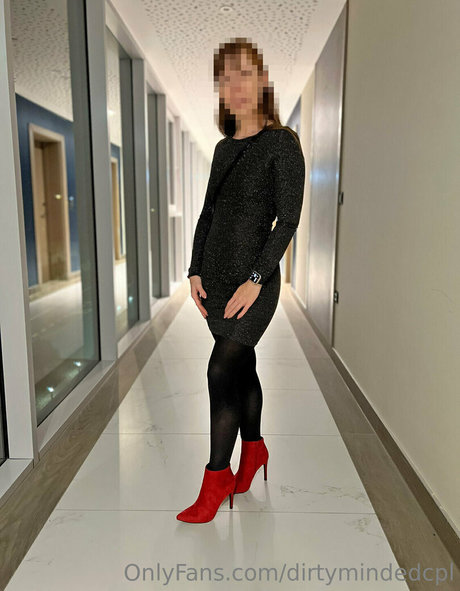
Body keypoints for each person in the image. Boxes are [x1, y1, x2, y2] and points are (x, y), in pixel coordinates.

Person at [176, 38, 305, 523]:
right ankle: (254, 451)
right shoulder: (223, 148)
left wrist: (255, 279)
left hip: (255, 284)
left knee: (219, 371)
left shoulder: (281, 144)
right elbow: (208, 214)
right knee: (242, 368)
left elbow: (287, 221)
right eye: (226, 79)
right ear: (221, 91)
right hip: (215, 281)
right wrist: (194, 269)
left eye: (244, 74)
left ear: (262, 80)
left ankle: (216, 479)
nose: (237, 86)